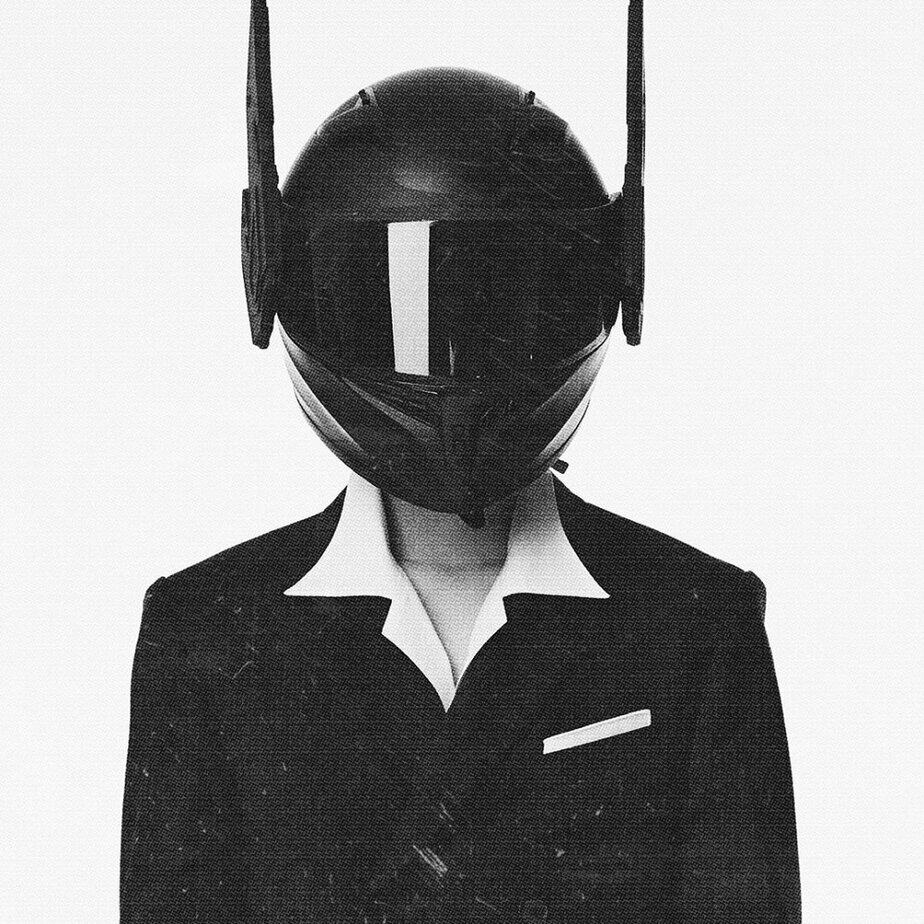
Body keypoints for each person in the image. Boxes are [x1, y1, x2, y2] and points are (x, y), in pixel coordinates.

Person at [120, 2, 800, 921]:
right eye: (393, 296)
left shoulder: (698, 624)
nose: (451, 372)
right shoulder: (204, 632)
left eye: (497, 299)